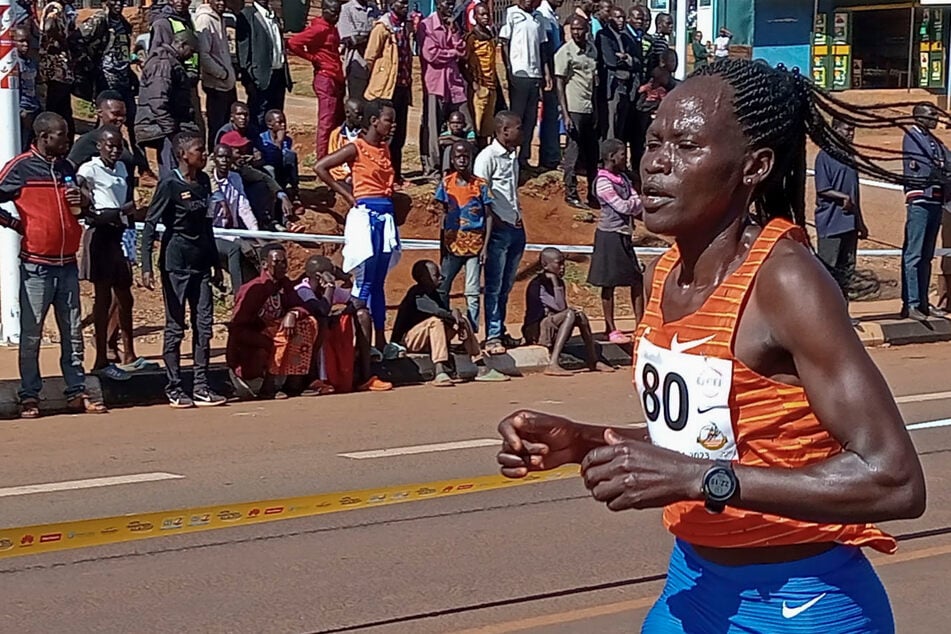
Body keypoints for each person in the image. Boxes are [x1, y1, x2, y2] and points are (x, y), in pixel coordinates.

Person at [496, 58, 928, 633]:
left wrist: (699, 480)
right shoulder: (666, 272)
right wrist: (585, 440)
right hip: (695, 583)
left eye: (687, 146)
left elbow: (894, 479)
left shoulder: (785, 282)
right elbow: (707, 437)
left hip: (801, 602)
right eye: (653, 142)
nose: (657, 164)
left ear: (754, 167)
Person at [0, 113, 107, 418]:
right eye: (62, 134)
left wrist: (82, 200)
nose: (68, 139)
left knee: (72, 332)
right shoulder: (21, 167)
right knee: (32, 334)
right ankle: (29, 396)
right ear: (44, 137)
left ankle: (76, 390)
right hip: (36, 266)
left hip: (67, 264)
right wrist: (14, 224)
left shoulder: (66, 168)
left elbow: (85, 205)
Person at [141, 130, 227, 409]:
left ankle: (201, 385)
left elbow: (206, 225)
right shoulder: (169, 184)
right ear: (183, 155)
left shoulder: (203, 181)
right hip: (175, 263)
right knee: (175, 327)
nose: (205, 155)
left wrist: (215, 264)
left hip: (201, 263)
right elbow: (151, 224)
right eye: (199, 150)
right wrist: (146, 266)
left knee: (204, 326)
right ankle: (174, 386)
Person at [315, 99, 402, 356]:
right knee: (364, 282)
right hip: (367, 218)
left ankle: (379, 342)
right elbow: (320, 167)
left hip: (386, 218)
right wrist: (348, 195)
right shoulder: (356, 148)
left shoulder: (384, 149)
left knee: (378, 283)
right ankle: (354, 340)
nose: (392, 124)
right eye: (388, 119)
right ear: (374, 121)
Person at [75, 126, 139, 381]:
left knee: (125, 296)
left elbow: (127, 204)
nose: (114, 150)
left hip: (120, 236)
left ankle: (129, 353)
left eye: (118, 146)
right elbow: (84, 206)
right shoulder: (88, 170)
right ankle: (101, 356)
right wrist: (117, 212)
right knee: (102, 298)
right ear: (99, 146)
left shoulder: (122, 168)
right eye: (109, 145)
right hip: (100, 235)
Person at [227, 244, 322, 399]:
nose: (283, 266)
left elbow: (302, 306)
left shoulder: (284, 285)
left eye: (284, 262)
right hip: (250, 349)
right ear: (265, 264)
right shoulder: (253, 289)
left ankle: (293, 383)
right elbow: (237, 329)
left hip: (274, 337)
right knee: (280, 336)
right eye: (277, 262)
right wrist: (267, 342)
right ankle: (267, 386)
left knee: (307, 323)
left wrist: (293, 313)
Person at [393, 260, 509, 387]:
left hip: (430, 339)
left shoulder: (435, 294)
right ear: (423, 278)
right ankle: (440, 369)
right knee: (436, 322)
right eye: (436, 275)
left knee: (462, 319)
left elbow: (448, 314)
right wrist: (453, 315)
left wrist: (458, 320)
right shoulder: (416, 293)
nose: (441, 278)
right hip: (411, 341)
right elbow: (437, 311)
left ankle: (481, 365)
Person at [295, 255, 393, 393]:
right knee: (321, 322)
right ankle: (313, 380)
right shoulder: (303, 290)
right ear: (319, 277)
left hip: (329, 332)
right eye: (331, 273)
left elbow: (359, 302)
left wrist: (345, 279)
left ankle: (366, 378)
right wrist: (330, 286)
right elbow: (322, 310)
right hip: (308, 337)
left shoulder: (328, 290)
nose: (334, 276)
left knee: (363, 315)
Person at [475, 111, 525, 355]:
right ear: (504, 131)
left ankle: (500, 329)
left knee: (505, 286)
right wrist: (492, 228)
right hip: (498, 230)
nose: (521, 132)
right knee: (493, 286)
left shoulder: (512, 156)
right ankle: (492, 336)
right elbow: (481, 198)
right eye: (518, 127)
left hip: (516, 227)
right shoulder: (487, 157)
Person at [587, 139, 644, 343]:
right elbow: (624, 206)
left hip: (623, 234)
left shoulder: (623, 179)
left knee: (636, 280)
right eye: (622, 154)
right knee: (608, 283)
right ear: (612, 157)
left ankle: (640, 324)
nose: (625, 158)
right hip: (609, 235)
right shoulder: (603, 181)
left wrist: (634, 203)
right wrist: (634, 203)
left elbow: (635, 203)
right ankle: (610, 328)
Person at [522, 248, 611, 375]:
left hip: (551, 324)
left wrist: (557, 283)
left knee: (580, 316)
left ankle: (593, 360)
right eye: (559, 264)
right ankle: (553, 363)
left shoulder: (559, 282)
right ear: (545, 265)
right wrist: (555, 283)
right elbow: (560, 307)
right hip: (536, 331)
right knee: (570, 313)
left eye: (564, 263)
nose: (563, 267)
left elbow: (560, 308)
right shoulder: (537, 285)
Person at [437, 141, 491, 332]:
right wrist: (441, 244)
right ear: (452, 159)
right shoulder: (446, 183)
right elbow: (443, 214)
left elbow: (489, 215)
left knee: (472, 291)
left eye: (465, 156)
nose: (462, 159)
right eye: (458, 156)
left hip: (475, 245)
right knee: (443, 286)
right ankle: (445, 323)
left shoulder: (480, 185)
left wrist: (485, 246)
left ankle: (472, 330)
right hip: (452, 244)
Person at [815, 119, 868, 312]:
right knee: (829, 271)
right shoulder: (825, 155)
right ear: (835, 130)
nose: (850, 133)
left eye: (853, 130)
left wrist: (860, 222)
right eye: (847, 129)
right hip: (831, 224)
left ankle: (843, 313)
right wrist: (842, 197)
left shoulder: (849, 157)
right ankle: (826, 314)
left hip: (850, 224)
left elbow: (855, 194)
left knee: (847, 270)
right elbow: (822, 188)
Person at [901, 103, 948, 320]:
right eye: (932, 116)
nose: (936, 119)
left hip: (936, 201)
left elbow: (947, 161)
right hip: (920, 200)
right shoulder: (912, 137)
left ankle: (923, 303)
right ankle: (911, 304)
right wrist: (941, 169)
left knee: (927, 255)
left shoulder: (935, 141)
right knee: (914, 254)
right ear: (920, 118)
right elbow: (926, 167)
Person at [135, 29, 200, 178]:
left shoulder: (171, 62)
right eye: (191, 50)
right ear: (182, 45)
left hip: (167, 126)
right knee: (172, 174)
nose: (192, 55)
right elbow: (158, 102)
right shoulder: (163, 63)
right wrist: (172, 132)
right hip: (162, 128)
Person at [288, 0, 345, 160]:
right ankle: (322, 161)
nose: (336, 16)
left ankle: (334, 157)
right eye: (333, 12)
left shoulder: (332, 28)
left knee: (337, 120)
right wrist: (312, 58)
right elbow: (293, 42)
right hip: (325, 78)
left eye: (338, 13)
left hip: (336, 77)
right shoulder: (318, 28)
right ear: (324, 10)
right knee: (326, 122)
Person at [418, 0, 469, 179]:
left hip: (453, 83)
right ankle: (433, 169)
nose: (450, 7)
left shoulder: (452, 25)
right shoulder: (426, 25)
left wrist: (454, 35)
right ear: (438, 4)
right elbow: (431, 54)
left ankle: (460, 164)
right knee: (433, 127)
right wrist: (452, 53)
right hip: (435, 83)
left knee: (465, 122)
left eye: (452, 4)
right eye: (447, 3)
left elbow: (462, 50)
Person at [363, 0, 412, 182]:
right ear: (392, 4)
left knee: (399, 135)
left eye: (407, 3)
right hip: (386, 90)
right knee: (386, 135)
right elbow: (370, 57)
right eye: (401, 3)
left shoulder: (405, 27)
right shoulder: (382, 28)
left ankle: (396, 175)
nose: (405, 7)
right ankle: (383, 175)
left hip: (402, 87)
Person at [499, 0, 550, 169]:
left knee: (530, 119)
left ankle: (524, 157)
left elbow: (542, 47)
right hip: (519, 74)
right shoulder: (512, 13)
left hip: (534, 75)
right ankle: (510, 156)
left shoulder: (538, 17)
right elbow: (504, 43)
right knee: (516, 119)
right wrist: (509, 70)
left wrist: (546, 73)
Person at [79, 0, 138, 149]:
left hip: (123, 80)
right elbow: (76, 40)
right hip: (106, 80)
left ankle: (140, 164)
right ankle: (97, 155)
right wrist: (90, 65)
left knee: (133, 121)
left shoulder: (123, 23)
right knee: (108, 121)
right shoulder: (99, 20)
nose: (119, 3)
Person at [556, 15, 599, 210]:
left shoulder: (591, 51)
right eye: (573, 29)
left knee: (592, 154)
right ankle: (570, 193)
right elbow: (559, 84)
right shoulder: (565, 53)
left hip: (590, 107)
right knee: (572, 153)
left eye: (580, 29)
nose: (576, 33)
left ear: (586, 29)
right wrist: (565, 114)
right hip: (574, 109)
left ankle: (593, 193)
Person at [209, 143, 260, 296]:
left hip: (231, 230)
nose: (224, 160)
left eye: (227, 157)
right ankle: (239, 295)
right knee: (237, 248)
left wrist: (256, 233)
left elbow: (244, 207)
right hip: (213, 233)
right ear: (214, 159)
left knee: (258, 249)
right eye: (220, 157)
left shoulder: (235, 178)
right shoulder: (207, 182)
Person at [148, 0, 203, 142]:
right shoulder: (162, 23)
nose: (181, 2)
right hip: (173, 86)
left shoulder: (187, 20)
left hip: (189, 84)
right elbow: (158, 58)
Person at [236, 0, 292, 128]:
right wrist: (249, 78)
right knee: (259, 116)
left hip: (278, 75)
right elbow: (243, 51)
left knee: (276, 116)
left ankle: (273, 146)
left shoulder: (273, 16)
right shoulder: (247, 15)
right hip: (260, 78)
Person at [194, 0, 238, 151]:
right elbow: (203, 54)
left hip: (227, 84)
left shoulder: (220, 17)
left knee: (229, 126)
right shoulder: (205, 19)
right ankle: (214, 161)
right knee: (217, 127)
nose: (221, 3)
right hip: (216, 84)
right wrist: (222, 73)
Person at [596, 6, 639, 142]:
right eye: (618, 17)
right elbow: (611, 61)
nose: (621, 21)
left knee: (621, 125)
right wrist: (625, 60)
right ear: (610, 19)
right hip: (612, 85)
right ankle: (607, 158)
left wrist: (626, 58)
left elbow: (637, 62)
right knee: (610, 125)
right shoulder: (603, 35)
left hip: (626, 85)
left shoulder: (626, 38)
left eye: (623, 18)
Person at [38, 1, 76, 139]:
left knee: (60, 109)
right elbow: (49, 27)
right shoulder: (55, 8)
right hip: (55, 68)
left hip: (59, 69)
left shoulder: (63, 9)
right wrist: (62, 40)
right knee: (57, 109)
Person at [465, 3, 498, 146]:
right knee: (476, 126)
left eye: (487, 14)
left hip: (491, 86)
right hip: (479, 87)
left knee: (487, 129)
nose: (485, 17)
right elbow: (463, 63)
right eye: (482, 14)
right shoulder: (472, 38)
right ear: (475, 17)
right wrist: (474, 85)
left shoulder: (490, 36)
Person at [536, 0, 564, 171]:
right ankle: (549, 158)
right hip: (549, 73)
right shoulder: (543, 15)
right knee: (550, 115)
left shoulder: (552, 15)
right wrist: (548, 73)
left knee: (553, 115)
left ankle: (551, 156)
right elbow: (545, 48)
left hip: (556, 71)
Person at [338, 0, 380, 100]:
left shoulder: (374, 9)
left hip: (374, 64)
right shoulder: (346, 9)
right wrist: (373, 35)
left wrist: (363, 36)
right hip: (356, 61)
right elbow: (349, 40)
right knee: (356, 101)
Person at [257, 109, 300, 198]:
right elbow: (271, 158)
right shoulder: (261, 139)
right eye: (279, 122)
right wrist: (279, 142)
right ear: (269, 125)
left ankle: (294, 189)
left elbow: (285, 158)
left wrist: (281, 141)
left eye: (284, 122)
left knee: (291, 155)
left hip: (281, 169)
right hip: (268, 169)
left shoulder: (287, 140)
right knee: (270, 169)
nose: (283, 125)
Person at [326, 97, 366, 193]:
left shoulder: (365, 135)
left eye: (362, 115)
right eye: (357, 114)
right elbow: (334, 164)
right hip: (343, 178)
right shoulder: (336, 135)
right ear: (348, 113)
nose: (361, 118)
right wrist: (346, 176)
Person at [14, 25, 41, 153]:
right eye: (21, 41)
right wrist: (20, 111)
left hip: (33, 109)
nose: (25, 45)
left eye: (28, 41)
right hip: (21, 112)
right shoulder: (13, 64)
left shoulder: (31, 62)